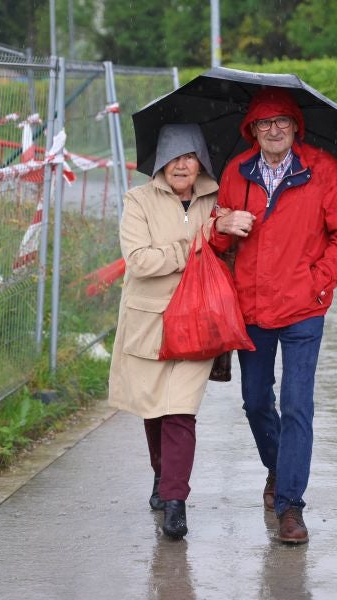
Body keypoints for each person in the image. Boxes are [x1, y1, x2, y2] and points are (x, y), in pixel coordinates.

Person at [210, 87, 337, 544]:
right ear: (251, 130)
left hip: (303, 310)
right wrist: (222, 225)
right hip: (252, 308)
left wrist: (315, 282)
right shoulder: (236, 174)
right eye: (264, 123)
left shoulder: (324, 171)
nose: (273, 130)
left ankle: (291, 506)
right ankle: (279, 468)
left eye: (282, 122)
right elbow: (218, 241)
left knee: (298, 406)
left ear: (296, 127)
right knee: (256, 401)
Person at [108, 123, 220, 540]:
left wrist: (221, 235)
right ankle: (161, 474)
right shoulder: (137, 200)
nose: (181, 165)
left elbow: (226, 252)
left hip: (199, 319)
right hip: (148, 321)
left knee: (180, 411)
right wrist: (196, 246)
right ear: (159, 162)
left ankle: (176, 500)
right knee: (154, 409)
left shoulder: (218, 199)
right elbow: (139, 261)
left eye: (189, 156)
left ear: (201, 161)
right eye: (172, 157)